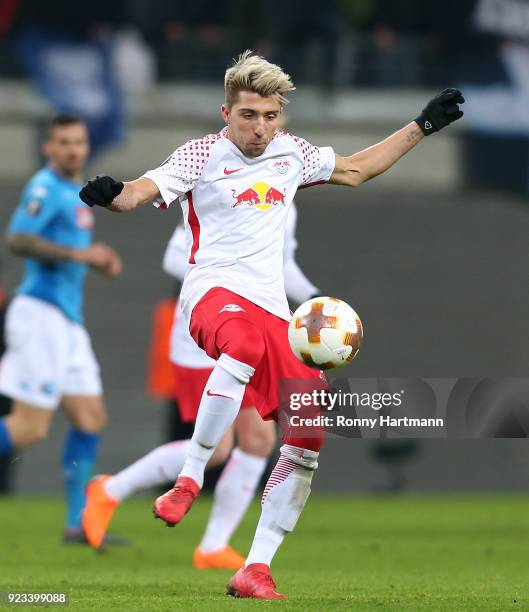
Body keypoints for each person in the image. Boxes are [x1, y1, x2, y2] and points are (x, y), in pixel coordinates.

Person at [79, 51, 464, 599]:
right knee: (240, 344)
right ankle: (189, 479)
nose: (260, 128)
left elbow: (357, 169)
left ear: (280, 116)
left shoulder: (291, 153)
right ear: (226, 113)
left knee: (307, 431)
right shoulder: (202, 154)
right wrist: (111, 194)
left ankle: (254, 566)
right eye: (248, 116)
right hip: (212, 293)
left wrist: (424, 125)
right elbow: (140, 190)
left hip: (273, 311)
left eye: (269, 116)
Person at [82, 203, 320, 573]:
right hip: (209, 327)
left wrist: (314, 296)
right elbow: (175, 257)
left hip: (256, 326)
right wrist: (234, 280)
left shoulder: (286, 198)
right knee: (221, 449)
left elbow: (281, 266)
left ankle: (212, 546)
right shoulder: (226, 191)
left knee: (259, 439)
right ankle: (109, 491)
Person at [0, 114, 123, 543]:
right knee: (31, 427)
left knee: (90, 418)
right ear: (48, 147)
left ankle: (78, 525)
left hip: (68, 321)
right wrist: (80, 256)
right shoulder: (44, 187)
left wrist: (96, 260)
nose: (73, 149)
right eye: (63, 142)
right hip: (40, 315)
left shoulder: (76, 192)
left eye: (78, 142)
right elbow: (17, 239)